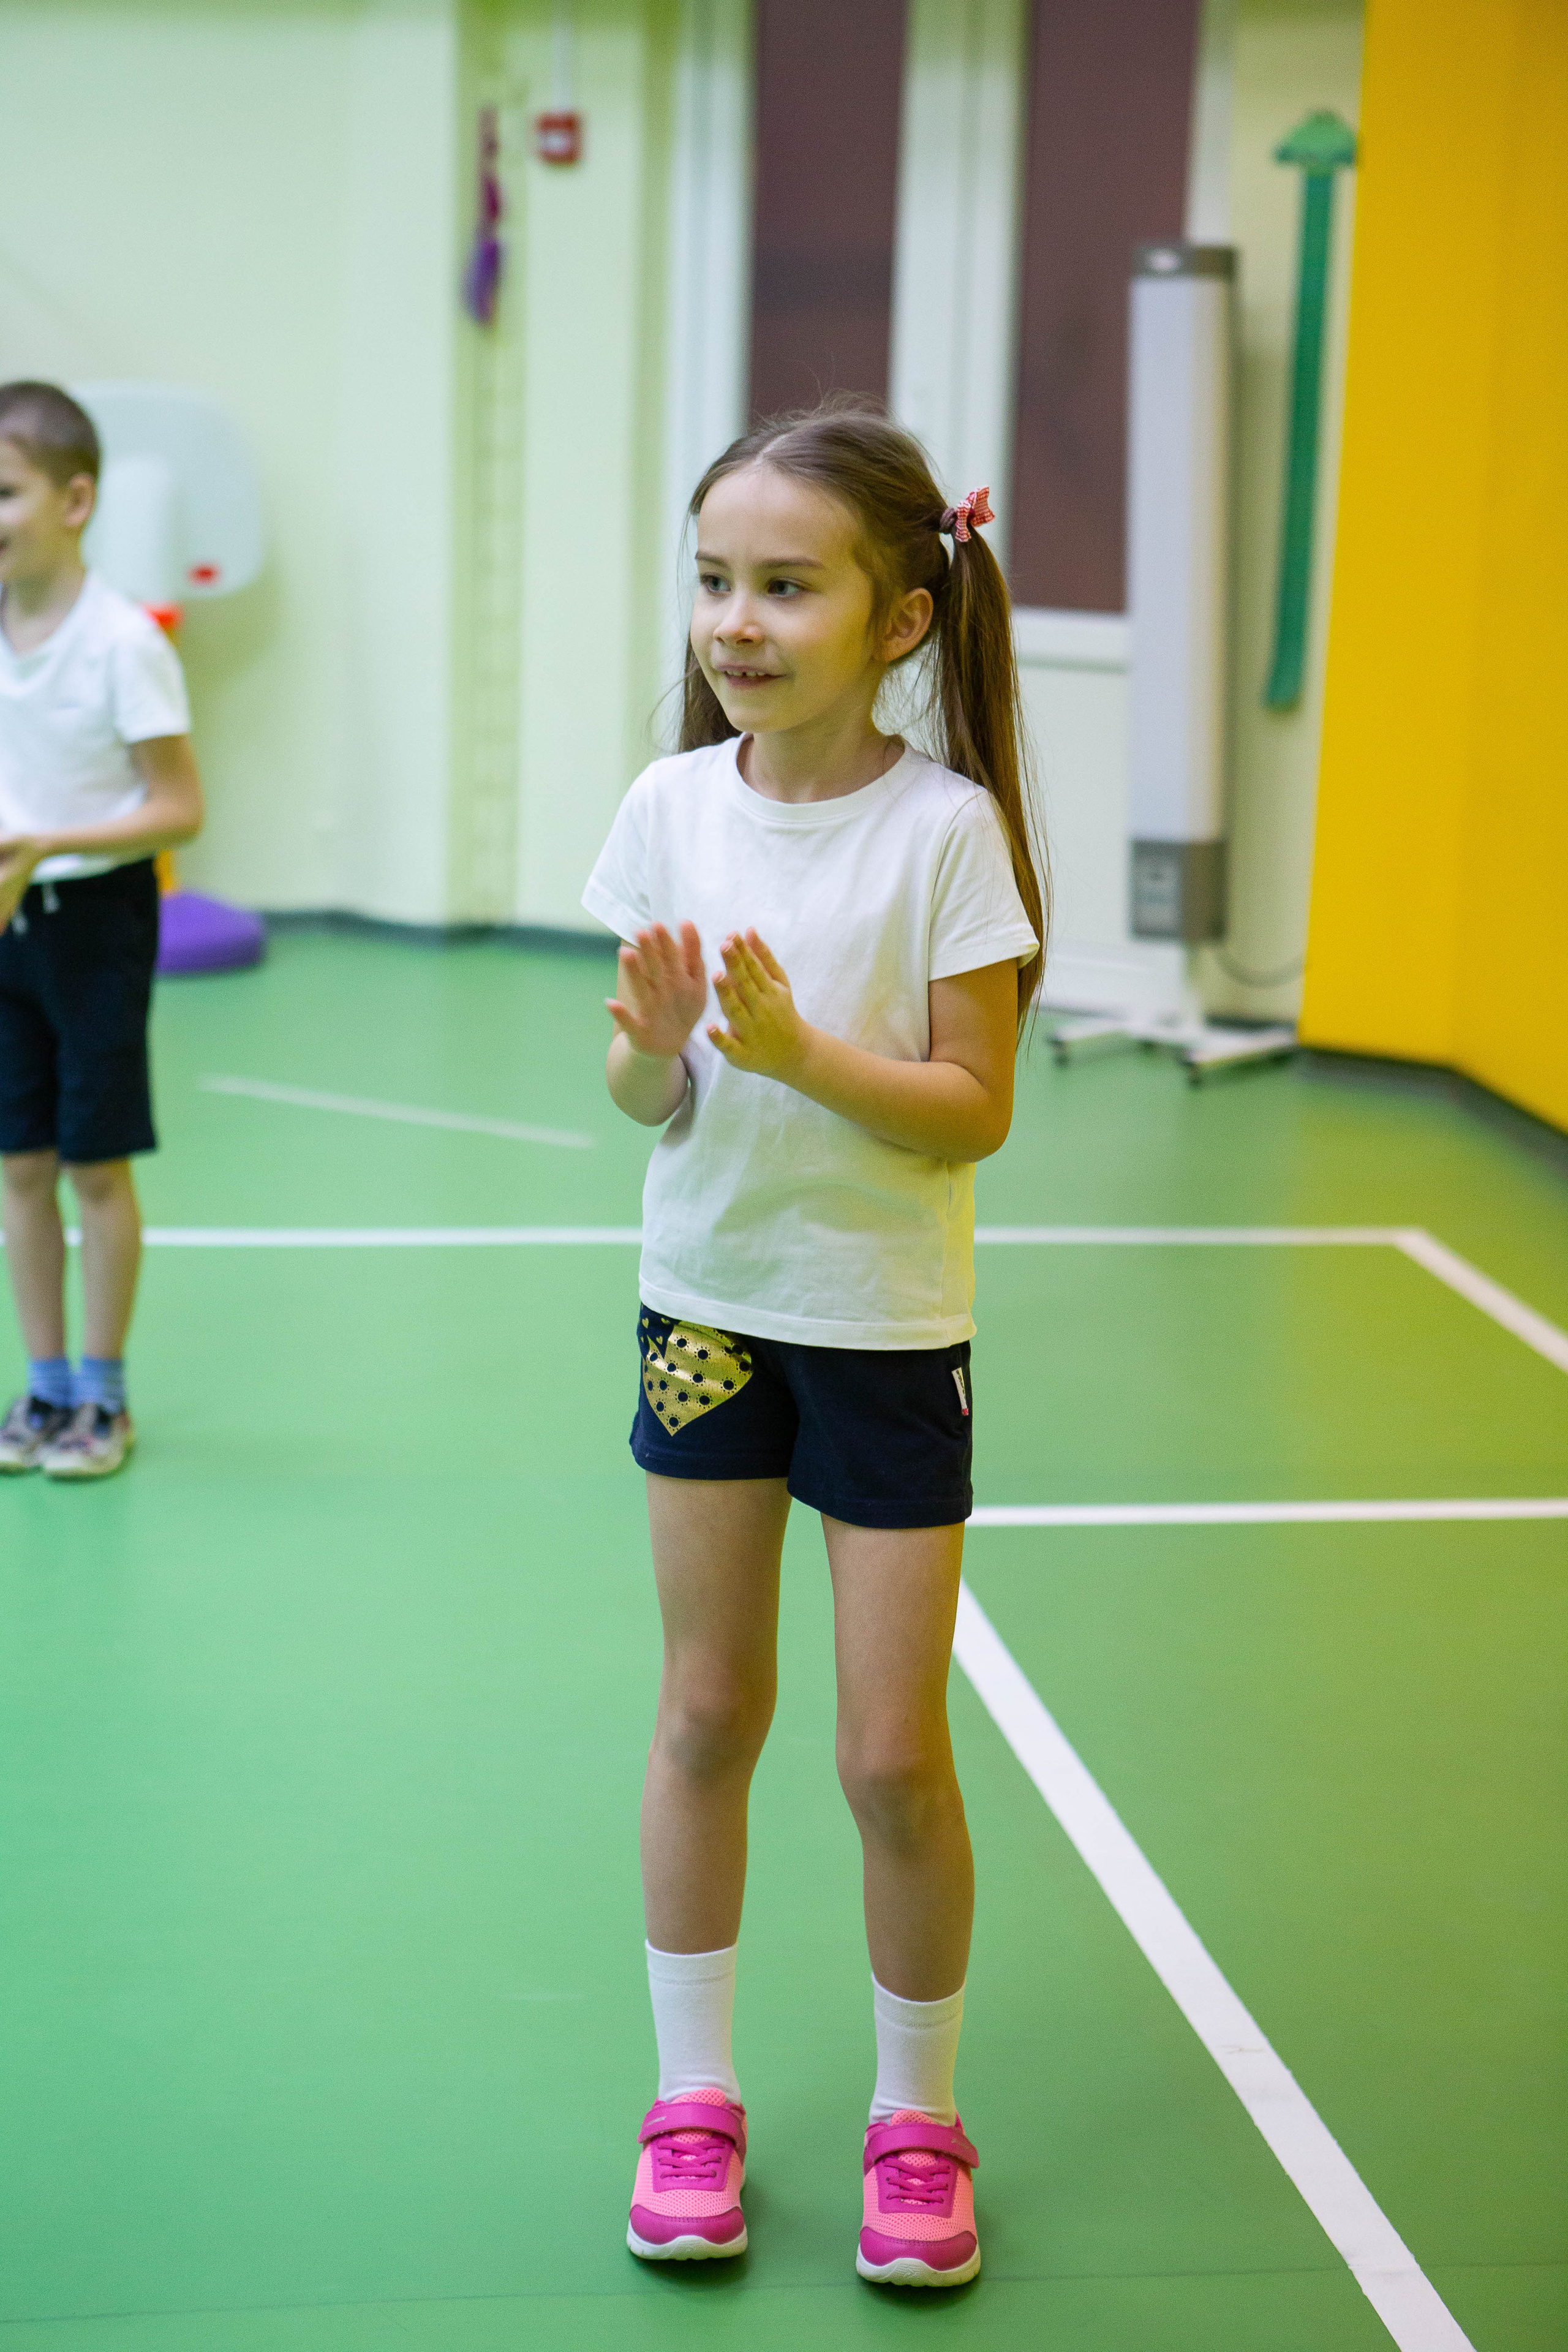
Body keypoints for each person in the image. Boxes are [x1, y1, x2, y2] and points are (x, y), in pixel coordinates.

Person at [582, 403, 1047, 2288]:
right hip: (706, 1315)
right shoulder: (664, 809)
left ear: (901, 620)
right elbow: (638, 1100)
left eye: (787, 585)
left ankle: (913, 2122)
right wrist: (661, 1042)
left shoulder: (946, 834)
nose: (737, 621)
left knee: (885, 1755)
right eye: (715, 581)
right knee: (705, 1713)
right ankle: (691, 2103)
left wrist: (797, 1057)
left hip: (880, 1338)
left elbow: (969, 1110)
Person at [0, 382, 203, 1480]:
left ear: (75, 501)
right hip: (6, 919)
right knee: (20, 1166)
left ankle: (104, 1399)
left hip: (94, 922)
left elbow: (180, 807)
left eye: (6, 491)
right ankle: (40, 1390)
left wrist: (45, 844)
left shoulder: (121, 642)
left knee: (93, 1167)